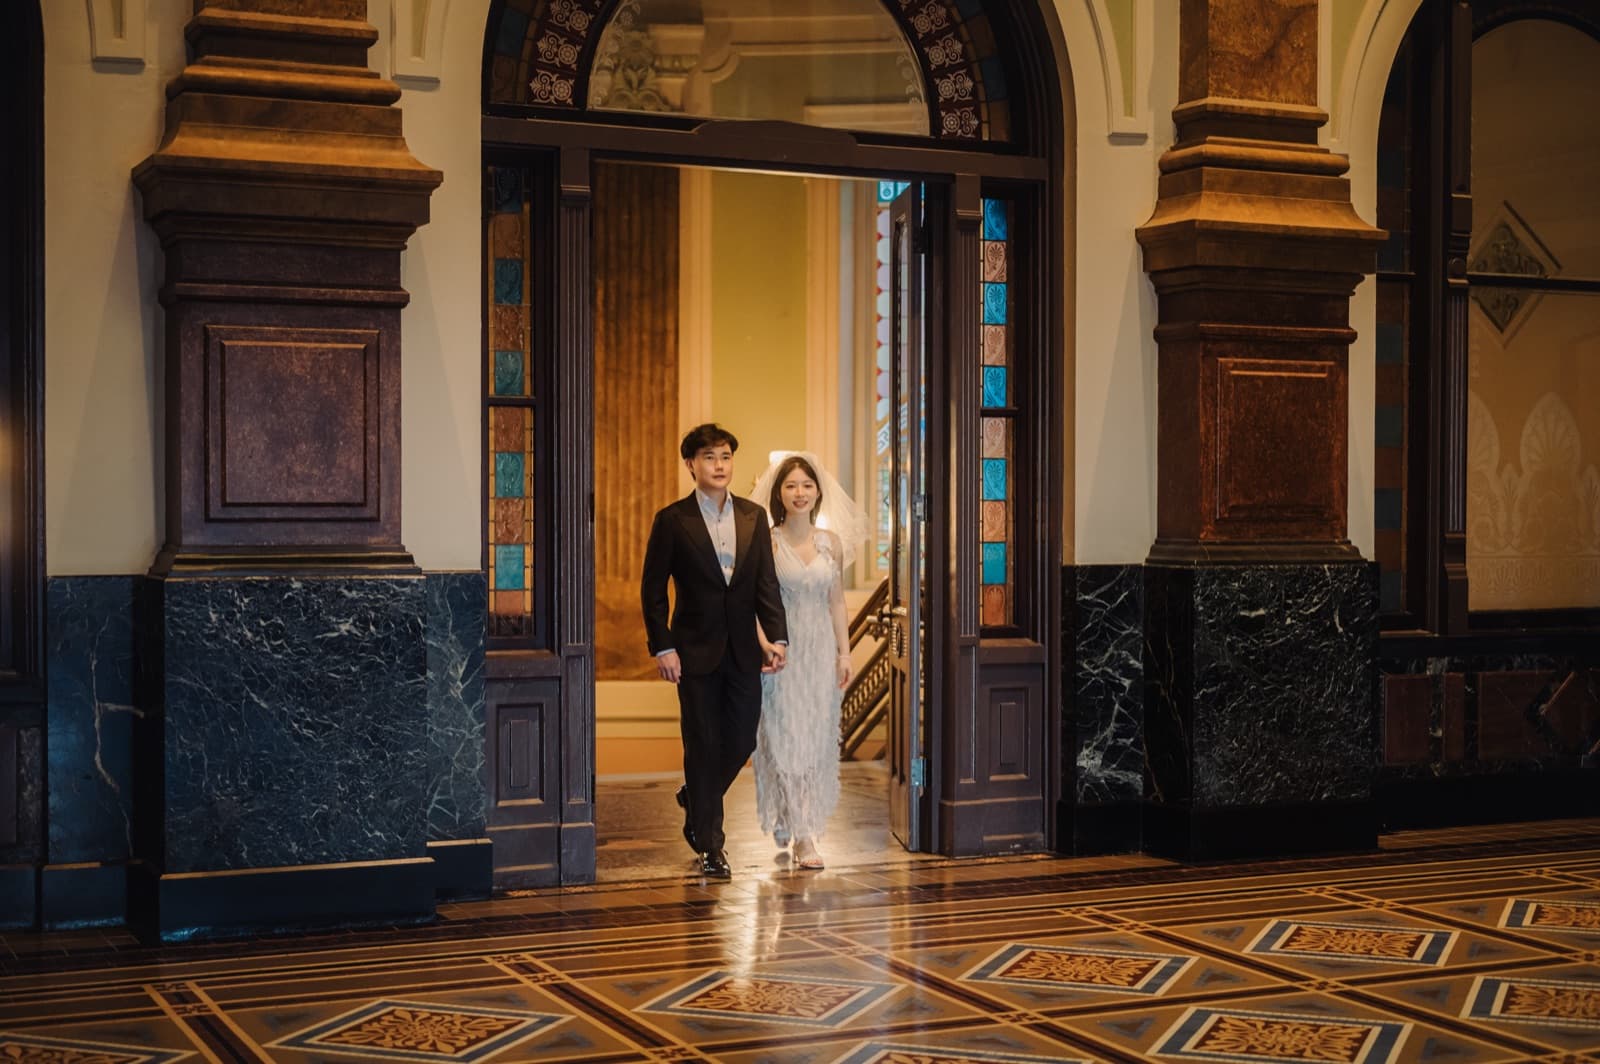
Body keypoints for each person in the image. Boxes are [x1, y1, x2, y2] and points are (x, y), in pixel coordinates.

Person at [641, 423, 788, 879]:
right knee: (703, 744)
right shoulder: (672, 520)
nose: (719, 465)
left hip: (745, 650)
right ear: (691, 465)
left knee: (742, 739)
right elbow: (652, 590)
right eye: (709, 457)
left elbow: (766, 582)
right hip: (693, 653)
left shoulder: (753, 516)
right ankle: (711, 845)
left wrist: (777, 637)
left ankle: (697, 797)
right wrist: (662, 645)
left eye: (725, 456)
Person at [749, 452, 870, 871]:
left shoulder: (829, 542)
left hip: (818, 654)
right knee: (783, 736)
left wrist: (844, 653)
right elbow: (751, 602)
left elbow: (836, 602)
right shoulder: (766, 539)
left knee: (813, 738)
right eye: (791, 486)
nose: (799, 493)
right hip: (780, 653)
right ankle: (803, 835)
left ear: (818, 491)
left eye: (806, 485)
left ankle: (794, 814)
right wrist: (764, 644)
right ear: (778, 493)